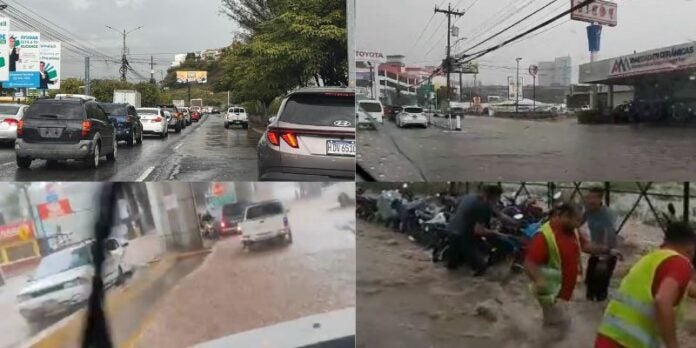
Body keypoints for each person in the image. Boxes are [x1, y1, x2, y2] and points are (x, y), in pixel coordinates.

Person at [525, 202, 621, 341]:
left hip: (564, 291)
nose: (579, 223)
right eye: (576, 220)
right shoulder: (544, 236)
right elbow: (529, 264)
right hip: (552, 293)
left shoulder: (573, 230)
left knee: (556, 325)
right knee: (557, 328)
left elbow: (586, 246)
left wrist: (608, 250)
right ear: (563, 215)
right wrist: (541, 282)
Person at [595, 221, 696, 348]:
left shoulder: (651, 259)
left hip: (608, 338)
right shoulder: (681, 262)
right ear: (691, 249)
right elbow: (663, 301)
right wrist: (672, 345)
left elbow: (687, 287)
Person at [446, 185, 519, 275]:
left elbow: (499, 214)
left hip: (450, 231)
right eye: (498, 197)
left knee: (452, 266)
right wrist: (497, 233)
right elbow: (479, 231)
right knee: (481, 267)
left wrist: (515, 222)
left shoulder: (470, 197)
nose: (498, 200)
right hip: (464, 237)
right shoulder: (482, 206)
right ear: (494, 196)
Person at [583, 186, 619, 301]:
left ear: (600, 199)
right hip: (595, 250)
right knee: (589, 284)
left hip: (607, 253)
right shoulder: (588, 211)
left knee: (601, 288)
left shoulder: (607, 214)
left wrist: (604, 258)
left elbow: (610, 237)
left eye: (593, 198)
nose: (590, 200)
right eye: (588, 198)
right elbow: (576, 223)